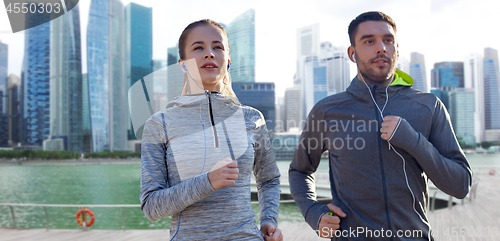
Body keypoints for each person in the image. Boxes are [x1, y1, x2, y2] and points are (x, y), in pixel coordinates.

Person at [289, 11, 472, 240]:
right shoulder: (326, 111)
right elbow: (299, 170)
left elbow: (461, 185)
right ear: (352, 53)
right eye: (369, 41)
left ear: (397, 48)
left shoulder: (428, 105)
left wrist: (414, 142)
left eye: (388, 40)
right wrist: (313, 212)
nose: (381, 48)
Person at [140, 19, 283, 241]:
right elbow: (151, 206)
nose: (209, 53)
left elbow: (269, 179)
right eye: (198, 48)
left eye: (218, 47)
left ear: (228, 61)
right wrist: (207, 182)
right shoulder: (159, 124)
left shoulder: (253, 118)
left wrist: (269, 220)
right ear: (183, 64)